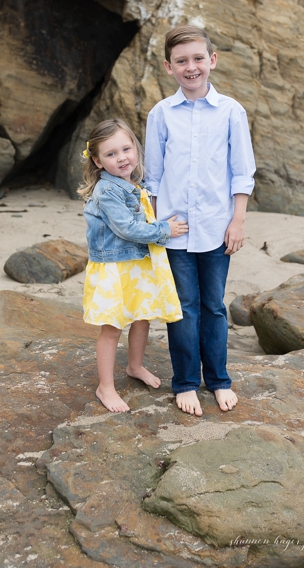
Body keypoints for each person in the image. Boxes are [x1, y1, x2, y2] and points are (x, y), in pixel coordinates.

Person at [145, 24, 256, 417]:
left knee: (213, 306)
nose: (190, 67)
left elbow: (242, 172)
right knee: (184, 307)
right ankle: (186, 382)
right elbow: (153, 179)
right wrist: (156, 228)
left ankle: (219, 379)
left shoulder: (231, 111)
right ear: (169, 67)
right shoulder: (160, 114)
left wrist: (237, 221)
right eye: (181, 61)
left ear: (212, 61)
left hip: (216, 228)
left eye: (197, 59)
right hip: (174, 230)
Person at [79, 118, 189, 413]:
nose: (121, 157)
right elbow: (127, 229)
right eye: (111, 154)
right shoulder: (108, 191)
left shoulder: (132, 185)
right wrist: (165, 230)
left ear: (136, 149)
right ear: (98, 161)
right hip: (114, 268)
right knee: (113, 326)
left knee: (142, 316)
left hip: (136, 265)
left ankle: (135, 366)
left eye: (126, 149)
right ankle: (106, 387)